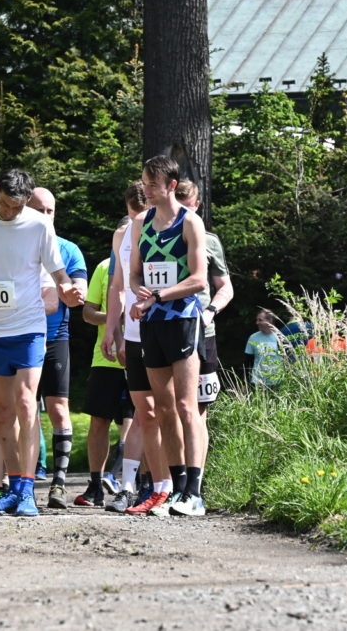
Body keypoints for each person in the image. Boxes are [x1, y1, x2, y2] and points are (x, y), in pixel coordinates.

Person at [0, 169, 81, 517]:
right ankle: (13, 488)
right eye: (6, 205)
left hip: (29, 327)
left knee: (27, 403)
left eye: (18, 207)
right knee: (1, 413)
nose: (12, 213)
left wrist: (69, 289)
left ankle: (27, 489)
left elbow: (58, 273)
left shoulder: (40, 225)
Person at [128, 158, 209, 517]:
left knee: (185, 407)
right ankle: (176, 490)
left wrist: (159, 296)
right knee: (162, 409)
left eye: (151, 184)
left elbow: (199, 279)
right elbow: (133, 274)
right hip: (151, 323)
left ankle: (195, 491)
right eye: (144, 183)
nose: (144, 189)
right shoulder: (140, 223)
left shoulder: (190, 222)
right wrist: (140, 296)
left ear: (170, 185)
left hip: (183, 319)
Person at [101, 182, 162, 515]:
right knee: (143, 411)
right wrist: (113, 331)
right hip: (136, 333)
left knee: (156, 411)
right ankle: (130, 485)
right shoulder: (121, 235)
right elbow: (118, 287)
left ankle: (160, 483)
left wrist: (113, 331)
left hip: (163, 329)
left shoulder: (166, 229)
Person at [27, 187, 88, 509]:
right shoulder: (15, 245)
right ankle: (21, 483)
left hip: (55, 338)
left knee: (58, 409)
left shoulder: (68, 249)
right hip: (19, 337)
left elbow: (79, 291)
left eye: (51, 211)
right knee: (24, 410)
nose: (46, 217)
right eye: (40, 210)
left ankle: (59, 484)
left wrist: (74, 292)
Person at [175, 179, 233, 511]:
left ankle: (195, 484)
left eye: (188, 205)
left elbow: (225, 287)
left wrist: (210, 311)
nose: (183, 210)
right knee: (169, 407)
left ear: (197, 205)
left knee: (197, 409)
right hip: (166, 330)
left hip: (201, 334)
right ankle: (174, 481)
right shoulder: (156, 236)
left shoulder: (208, 241)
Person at [76, 250, 134, 507]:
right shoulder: (104, 267)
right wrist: (114, 318)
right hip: (105, 358)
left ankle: (136, 483)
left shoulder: (148, 261)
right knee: (98, 421)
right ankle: (96, 483)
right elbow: (87, 314)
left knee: (140, 419)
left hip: (142, 355)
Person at [244, 309, 283, 386]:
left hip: (278, 381)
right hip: (258, 381)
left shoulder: (280, 337)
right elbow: (248, 361)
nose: (257, 323)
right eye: (257, 320)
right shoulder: (253, 338)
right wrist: (245, 382)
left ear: (270, 320)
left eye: (260, 320)